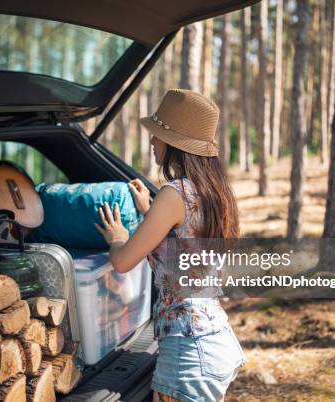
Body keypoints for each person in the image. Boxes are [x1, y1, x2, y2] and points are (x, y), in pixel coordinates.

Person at [94, 89, 246, 402]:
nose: (151, 141)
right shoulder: (214, 193)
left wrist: (117, 236)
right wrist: (149, 209)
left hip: (188, 354)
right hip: (213, 339)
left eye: (157, 135)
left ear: (176, 143)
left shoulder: (174, 194)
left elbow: (122, 261)